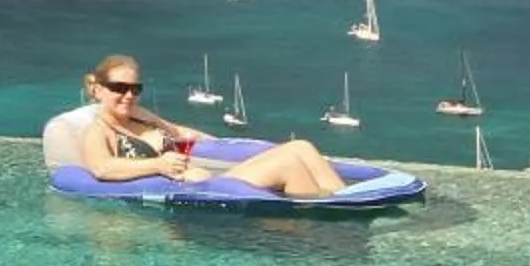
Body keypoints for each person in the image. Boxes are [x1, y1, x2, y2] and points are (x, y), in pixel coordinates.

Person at [75, 53, 351, 197]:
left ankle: (347, 200)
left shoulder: (141, 115)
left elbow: (179, 132)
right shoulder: (98, 132)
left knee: (300, 147)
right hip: (200, 193)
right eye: (119, 88)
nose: (129, 95)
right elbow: (102, 168)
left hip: (210, 179)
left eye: (135, 88)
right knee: (288, 165)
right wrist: (157, 165)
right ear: (98, 90)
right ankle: (321, 220)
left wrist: (220, 143)